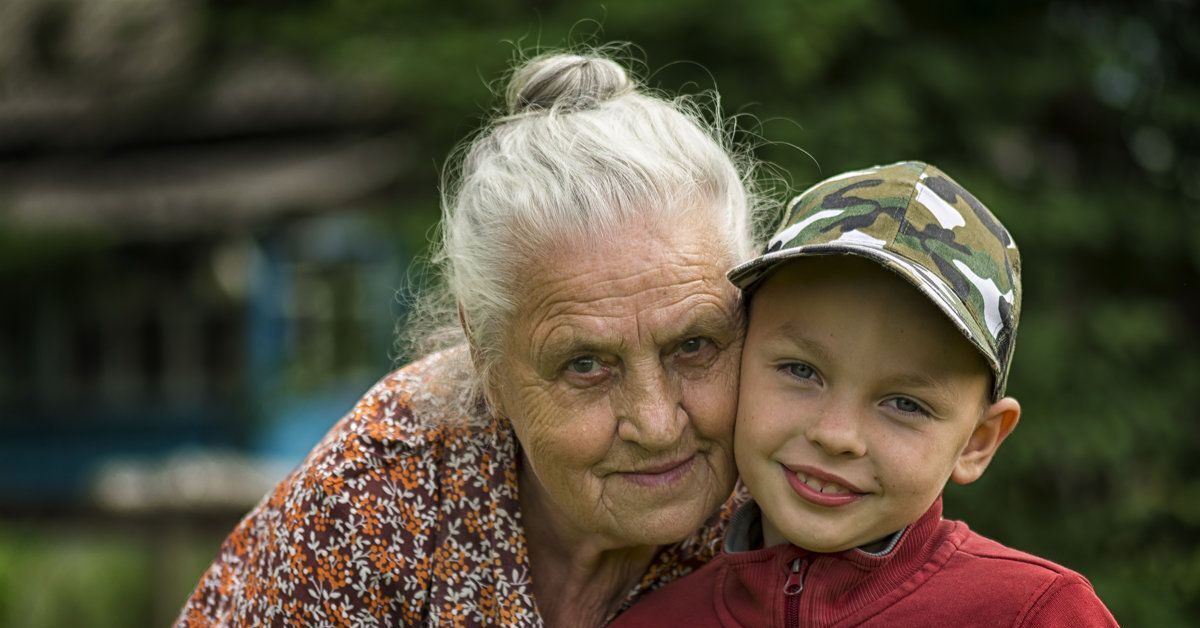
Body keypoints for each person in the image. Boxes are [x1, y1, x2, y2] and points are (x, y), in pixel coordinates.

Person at [175, 50, 770, 627]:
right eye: (586, 364)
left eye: (694, 346)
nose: (658, 422)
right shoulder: (373, 502)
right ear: (487, 362)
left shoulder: (789, 490)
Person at [611, 161, 1119, 627]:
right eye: (801, 371)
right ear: (736, 360)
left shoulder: (1037, 615)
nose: (836, 436)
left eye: (905, 404)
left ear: (977, 442)